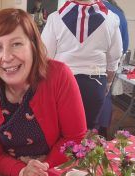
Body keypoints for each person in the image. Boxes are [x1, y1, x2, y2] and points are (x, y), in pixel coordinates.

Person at [0, 9, 87, 176]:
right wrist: (22, 171)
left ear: (33, 45)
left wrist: (43, 168)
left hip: (57, 167)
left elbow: (75, 137)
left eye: (16, 44)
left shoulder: (59, 76)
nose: (6, 57)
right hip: (11, 173)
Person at [41, 0, 123, 130]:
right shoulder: (111, 18)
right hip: (95, 82)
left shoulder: (55, 18)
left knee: (61, 127)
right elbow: (115, 56)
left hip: (62, 81)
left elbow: (45, 56)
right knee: (87, 129)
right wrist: (107, 83)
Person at [97, 0, 129, 138]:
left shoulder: (83, 8)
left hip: (84, 67)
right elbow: (124, 46)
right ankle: (102, 130)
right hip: (108, 65)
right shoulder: (119, 13)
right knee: (105, 94)